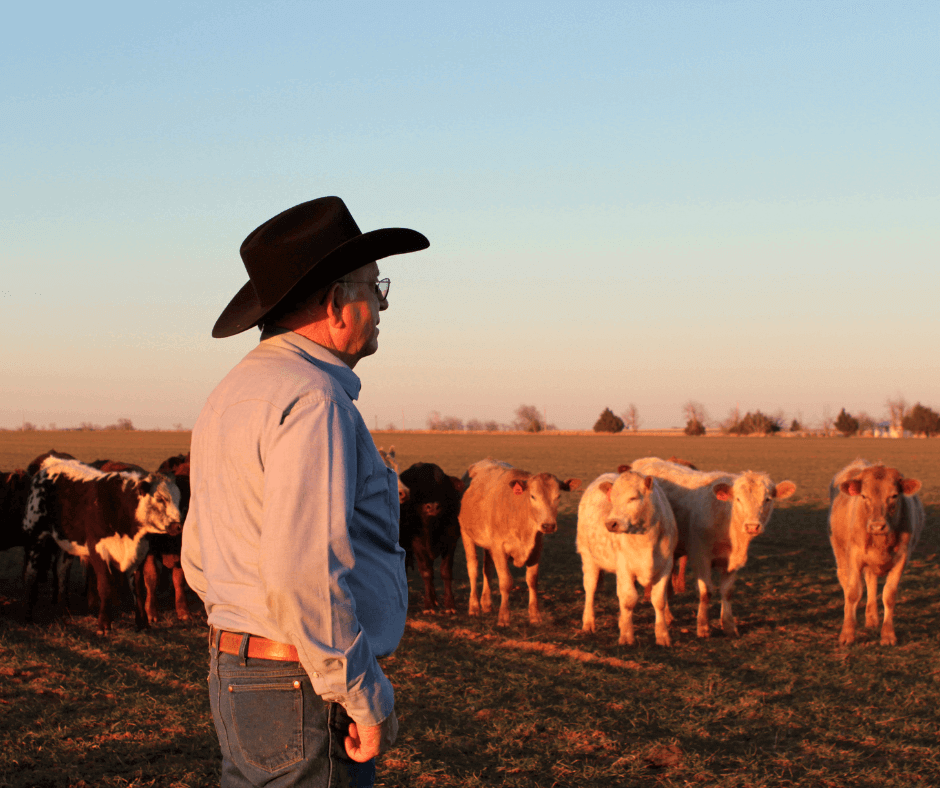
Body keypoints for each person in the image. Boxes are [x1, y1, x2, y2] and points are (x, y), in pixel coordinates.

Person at [182, 196, 429, 788]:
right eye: (376, 287)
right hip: (302, 683)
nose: (384, 304)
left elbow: (198, 558)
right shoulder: (314, 401)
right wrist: (363, 695)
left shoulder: (232, 393)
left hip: (240, 670)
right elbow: (305, 575)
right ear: (338, 302)